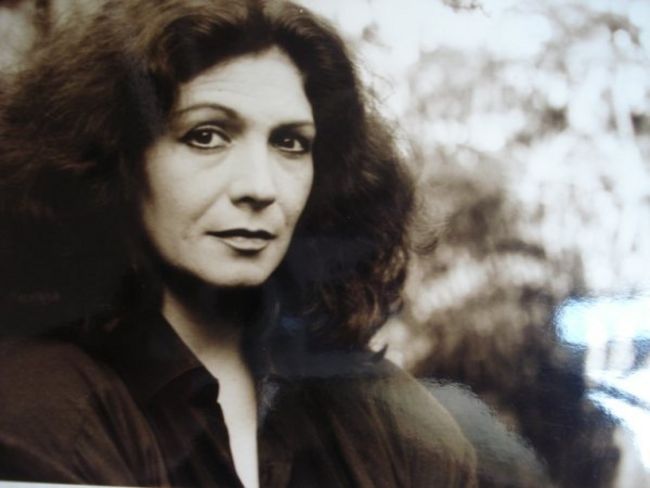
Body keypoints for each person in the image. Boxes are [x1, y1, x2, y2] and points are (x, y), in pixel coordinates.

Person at [0, 0, 477, 486]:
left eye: (290, 143)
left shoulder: (398, 424)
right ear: (115, 159)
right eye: (206, 136)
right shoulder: (41, 404)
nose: (260, 187)